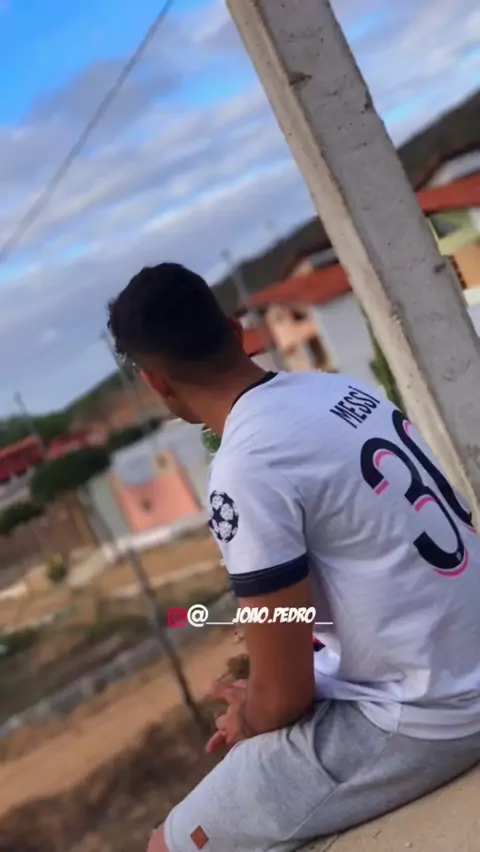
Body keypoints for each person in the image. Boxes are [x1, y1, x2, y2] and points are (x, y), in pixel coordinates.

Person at [108, 263, 480, 852]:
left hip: (439, 711)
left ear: (156, 383)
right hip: (458, 657)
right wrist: (268, 688)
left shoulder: (247, 464)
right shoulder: (338, 389)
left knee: (167, 846)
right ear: (236, 330)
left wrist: (251, 717)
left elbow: (284, 696)